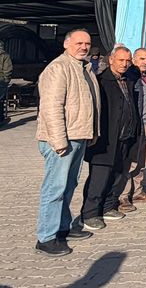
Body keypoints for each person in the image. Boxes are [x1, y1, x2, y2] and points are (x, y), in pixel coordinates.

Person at [34, 29, 99, 257]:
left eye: (87, 43)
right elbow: (51, 107)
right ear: (66, 44)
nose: (84, 47)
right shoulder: (58, 68)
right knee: (55, 188)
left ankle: (63, 227)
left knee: (68, 186)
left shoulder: (84, 68)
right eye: (78, 43)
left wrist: (92, 132)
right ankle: (46, 238)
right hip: (62, 139)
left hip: (78, 135)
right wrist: (59, 140)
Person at [80, 46, 136, 231]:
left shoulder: (127, 80)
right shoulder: (102, 81)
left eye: (127, 61)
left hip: (124, 137)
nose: (124, 64)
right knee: (99, 178)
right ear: (111, 60)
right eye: (121, 60)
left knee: (117, 175)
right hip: (105, 140)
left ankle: (108, 206)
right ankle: (89, 214)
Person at [119, 48, 146, 210]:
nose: (145, 62)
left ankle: (137, 191)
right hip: (136, 126)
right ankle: (123, 196)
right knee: (131, 162)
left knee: (143, 161)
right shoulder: (130, 77)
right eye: (142, 59)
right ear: (134, 60)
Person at [0, 39, 11, 125]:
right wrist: (6, 80)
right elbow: (8, 69)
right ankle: (1, 119)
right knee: (0, 100)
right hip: (1, 81)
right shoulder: (5, 56)